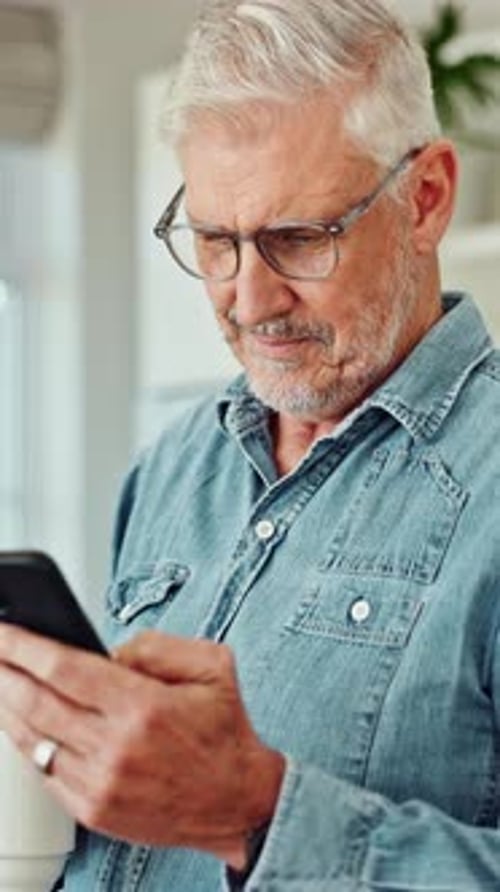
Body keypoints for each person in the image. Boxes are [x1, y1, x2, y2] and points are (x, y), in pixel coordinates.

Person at [0, 0, 499, 889]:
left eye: (298, 238)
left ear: (426, 200)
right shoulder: (173, 466)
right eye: (214, 240)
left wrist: (259, 814)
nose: (248, 299)